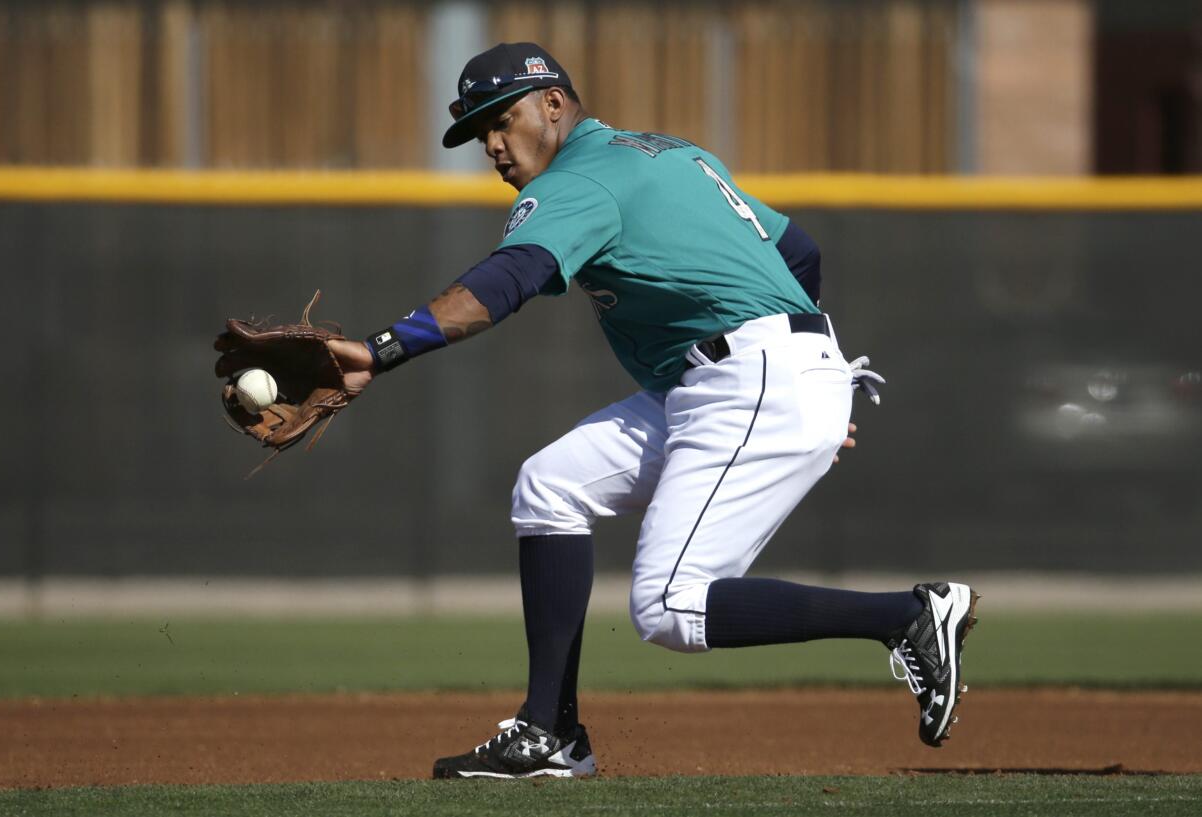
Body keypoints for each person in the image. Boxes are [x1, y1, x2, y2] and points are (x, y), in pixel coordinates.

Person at [326, 43, 979, 779]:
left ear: (553, 104)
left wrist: (380, 350)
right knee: (550, 485)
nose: (493, 146)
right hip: (745, 377)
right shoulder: (671, 153)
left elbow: (508, 280)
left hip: (751, 378)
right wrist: (810, 374)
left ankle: (905, 616)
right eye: (479, 133)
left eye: (501, 120)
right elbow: (798, 250)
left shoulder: (580, 179)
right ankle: (551, 733)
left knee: (672, 607)